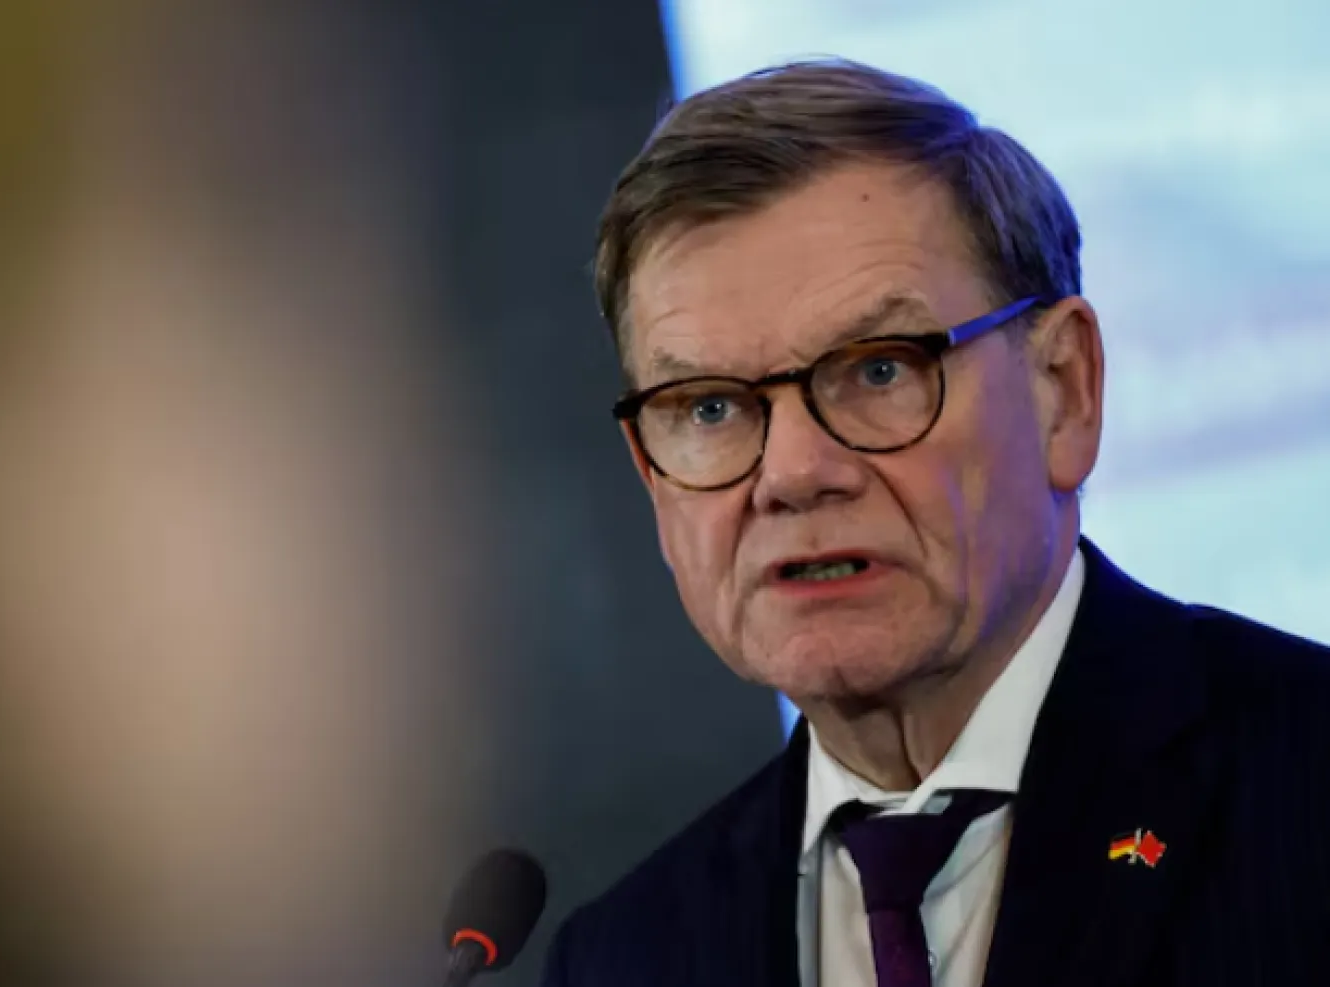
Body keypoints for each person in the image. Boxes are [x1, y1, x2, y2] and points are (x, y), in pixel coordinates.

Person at [541, 58, 1330, 987]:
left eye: (879, 370)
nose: (792, 475)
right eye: (708, 408)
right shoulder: (625, 959)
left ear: (1064, 392)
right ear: (651, 477)